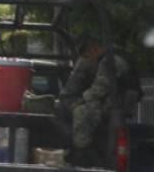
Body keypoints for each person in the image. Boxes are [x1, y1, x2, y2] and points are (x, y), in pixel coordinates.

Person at [60, 35, 141, 165]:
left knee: (82, 111)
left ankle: (82, 152)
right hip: (113, 99)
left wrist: (79, 102)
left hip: (119, 101)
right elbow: (74, 86)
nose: (87, 60)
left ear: (94, 49)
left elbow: (100, 88)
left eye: (87, 56)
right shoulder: (105, 57)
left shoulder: (111, 60)